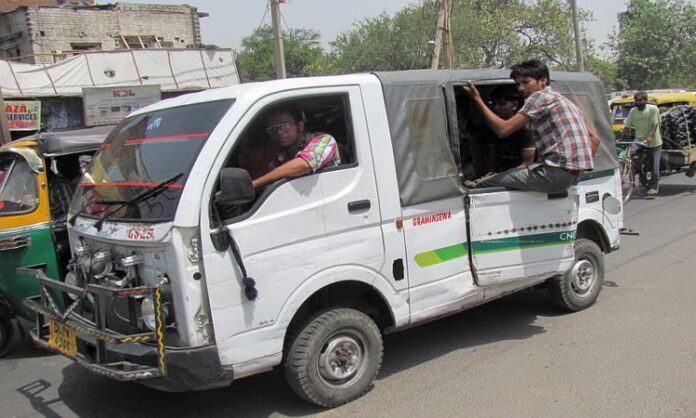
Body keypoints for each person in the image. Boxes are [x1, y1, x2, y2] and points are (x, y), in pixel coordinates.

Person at [461, 59, 599, 194]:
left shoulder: (539, 97)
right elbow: (594, 139)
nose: (521, 88)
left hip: (553, 174)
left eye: (526, 82)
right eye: (518, 84)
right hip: (569, 176)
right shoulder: (563, 101)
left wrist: (477, 98)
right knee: (505, 175)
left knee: (485, 183)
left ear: (543, 81)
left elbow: (503, 130)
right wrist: (576, 172)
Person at [251, 105, 341, 190]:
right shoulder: (278, 158)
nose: (279, 132)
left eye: (284, 126)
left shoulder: (323, 140)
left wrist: (255, 183)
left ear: (300, 126)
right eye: (273, 129)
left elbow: (305, 164)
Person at [483, 86, 536, 174]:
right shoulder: (493, 130)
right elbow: (491, 160)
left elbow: (527, 164)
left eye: (502, 104)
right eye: (494, 103)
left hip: (520, 174)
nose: (496, 107)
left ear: (514, 105)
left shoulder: (524, 130)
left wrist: (500, 176)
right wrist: (490, 174)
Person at [621, 91, 662, 195]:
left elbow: (655, 124)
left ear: (645, 100)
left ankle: (654, 187)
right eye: (636, 101)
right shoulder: (633, 111)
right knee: (630, 156)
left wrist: (649, 136)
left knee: (654, 166)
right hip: (639, 141)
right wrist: (620, 137)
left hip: (653, 142)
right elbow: (627, 126)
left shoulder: (652, 109)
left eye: (640, 100)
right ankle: (641, 174)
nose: (638, 102)